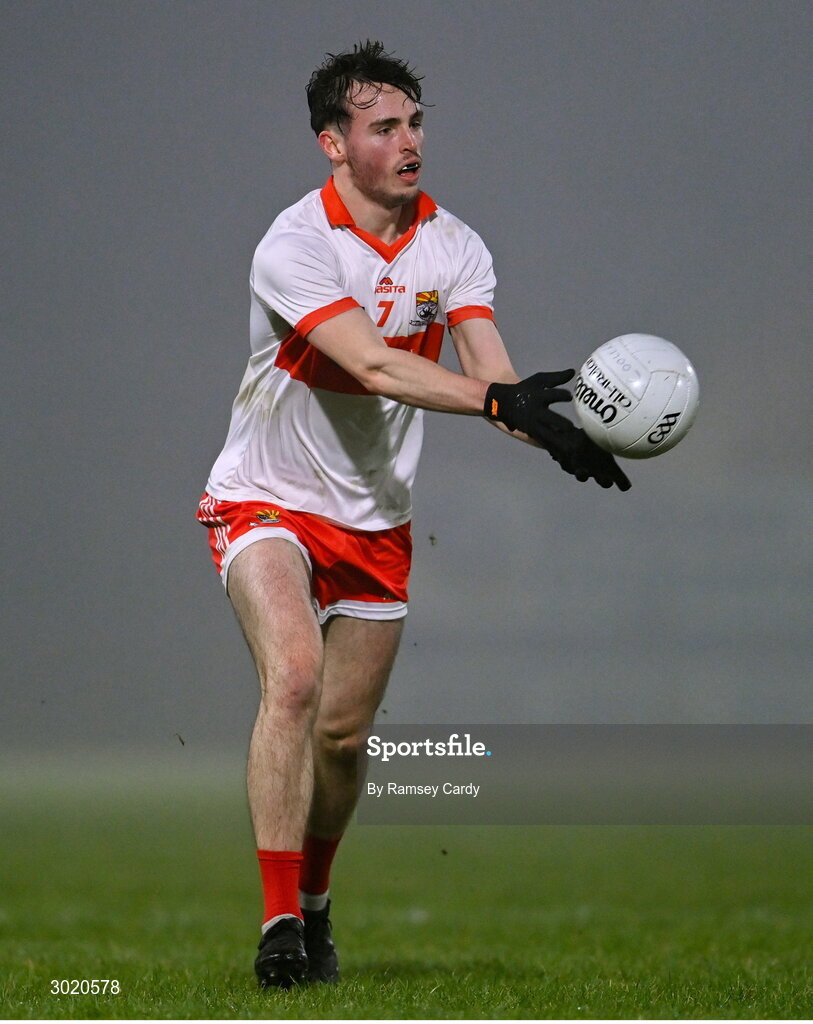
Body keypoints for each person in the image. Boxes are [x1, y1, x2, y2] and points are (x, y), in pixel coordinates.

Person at [196, 40, 630, 990]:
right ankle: (276, 926)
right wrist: (496, 406)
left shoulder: (454, 244)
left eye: (415, 122)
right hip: (264, 497)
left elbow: (492, 379)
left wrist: (562, 431)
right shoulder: (295, 246)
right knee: (296, 680)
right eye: (383, 126)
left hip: (375, 521)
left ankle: (315, 903)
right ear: (333, 144)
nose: (408, 141)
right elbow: (377, 365)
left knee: (344, 739)